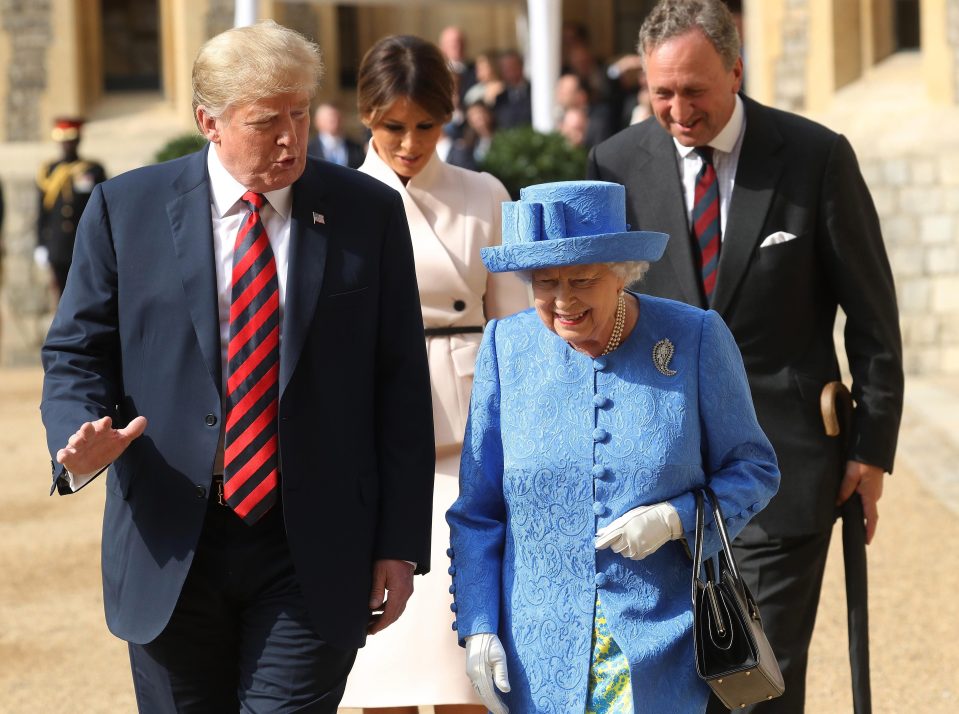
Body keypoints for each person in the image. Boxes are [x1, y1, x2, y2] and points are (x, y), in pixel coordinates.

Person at [40, 20, 434, 713]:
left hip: (311, 544)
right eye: (265, 122)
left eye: (299, 115)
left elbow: (398, 382)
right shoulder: (124, 210)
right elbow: (76, 350)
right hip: (170, 541)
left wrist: (399, 545)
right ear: (209, 122)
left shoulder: (365, 212)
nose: (289, 138)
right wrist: (80, 437)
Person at [586, 1, 904, 712]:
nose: (676, 109)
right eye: (660, 91)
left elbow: (873, 321)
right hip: (653, 478)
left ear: (736, 69)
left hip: (782, 474)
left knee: (751, 685)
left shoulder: (816, 159)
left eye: (693, 90)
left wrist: (871, 450)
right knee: (669, 687)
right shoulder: (614, 163)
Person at [446, 180, 780, 713]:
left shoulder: (694, 338)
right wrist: (479, 625)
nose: (563, 300)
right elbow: (478, 511)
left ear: (622, 273)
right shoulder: (504, 348)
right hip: (537, 648)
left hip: (660, 642)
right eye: (545, 282)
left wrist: (675, 518)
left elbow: (754, 468)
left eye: (582, 279)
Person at [339, 34, 529, 714]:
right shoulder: (334, 198)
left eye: (427, 125)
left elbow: (518, 333)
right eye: (393, 126)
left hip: (470, 445)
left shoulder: (485, 195)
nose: (410, 142)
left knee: (466, 668)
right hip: (369, 448)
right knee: (382, 672)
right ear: (365, 115)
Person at [35, 117, 107, 303]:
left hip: (83, 241)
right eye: (63, 140)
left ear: (78, 140)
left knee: (85, 294)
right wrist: (41, 243)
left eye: (71, 139)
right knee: (60, 296)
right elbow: (43, 211)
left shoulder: (93, 170)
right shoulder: (48, 170)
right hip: (57, 243)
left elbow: (101, 208)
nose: (67, 144)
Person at [306, 101, 365, 168]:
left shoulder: (357, 148)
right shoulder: (308, 151)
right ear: (317, 122)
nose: (335, 121)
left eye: (338, 117)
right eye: (330, 119)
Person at [492, 49, 532, 131]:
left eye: (511, 66)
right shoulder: (500, 99)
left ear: (521, 66)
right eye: (504, 68)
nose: (508, 71)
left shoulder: (535, 92)